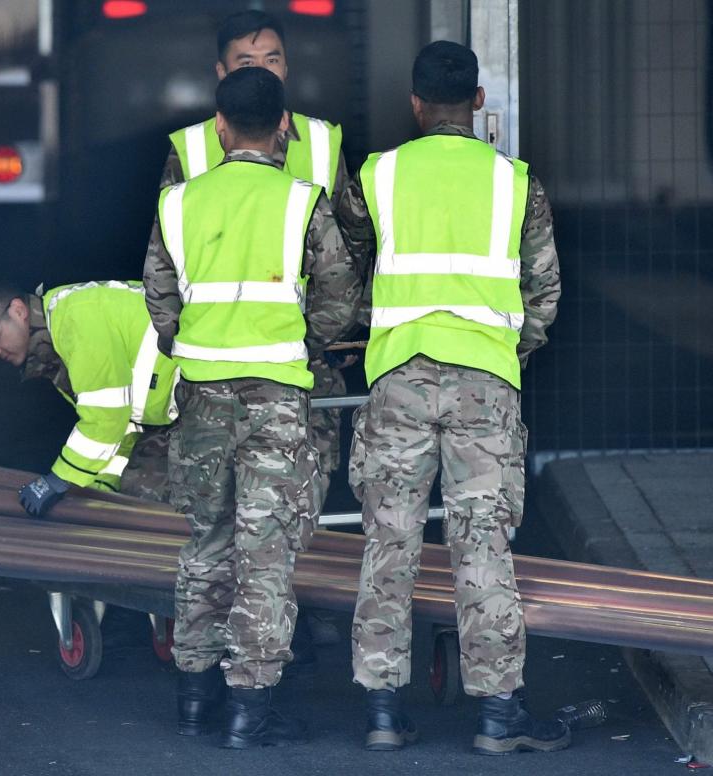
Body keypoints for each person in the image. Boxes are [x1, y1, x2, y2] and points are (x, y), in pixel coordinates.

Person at [339, 41, 566, 755]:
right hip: (485, 382)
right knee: (482, 544)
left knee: (389, 539)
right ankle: (499, 716)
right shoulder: (513, 182)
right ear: (477, 102)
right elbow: (544, 293)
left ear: (414, 104)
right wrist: (504, 351)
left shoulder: (378, 176)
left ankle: (382, 710)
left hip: (398, 376)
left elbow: (343, 271)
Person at [144, 66, 359, 748]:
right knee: (265, 556)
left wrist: (198, 344)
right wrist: (303, 339)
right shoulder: (303, 201)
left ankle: (192, 697)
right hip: (275, 397)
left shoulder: (179, 203)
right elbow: (339, 297)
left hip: (202, 397)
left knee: (205, 542)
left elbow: (158, 296)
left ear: (221, 126)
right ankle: (248, 709)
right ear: (285, 127)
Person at [160, 9, 356, 515]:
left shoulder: (321, 141)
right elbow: (166, 260)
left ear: (288, 67)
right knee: (222, 515)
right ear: (221, 73)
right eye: (247, 61)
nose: (263, 70)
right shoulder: (189, 148)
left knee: (304, 499)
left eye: (272, 59)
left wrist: (328, 337)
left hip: (308, 361)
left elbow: (351, 248)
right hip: (213, 366)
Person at [0, 277, 179, 508]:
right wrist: (101, 488)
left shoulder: (76, 318)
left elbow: (105, 420)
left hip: (210, 394)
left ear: (18, 310)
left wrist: (60, 479)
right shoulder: (57, 348)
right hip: (191, 409)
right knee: (139, 493)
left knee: (174, 502)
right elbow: (122, 430)